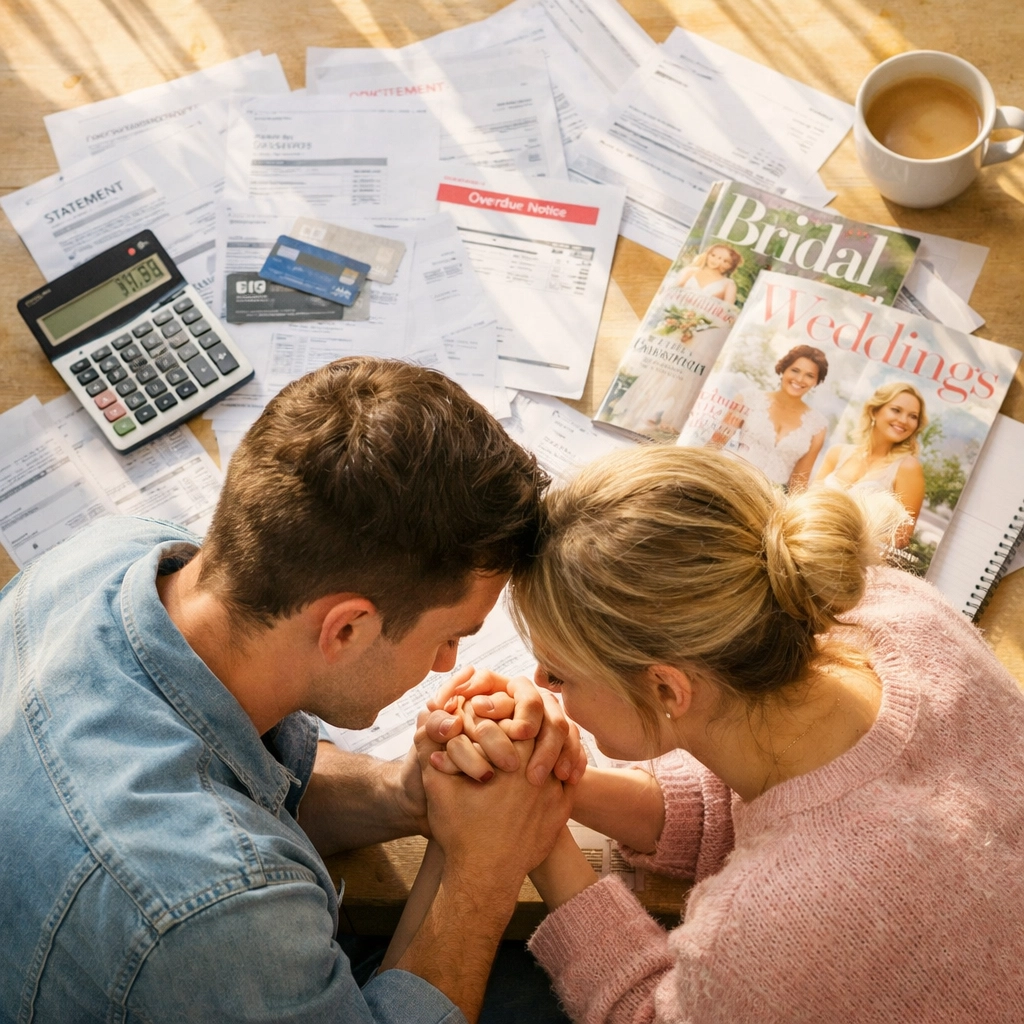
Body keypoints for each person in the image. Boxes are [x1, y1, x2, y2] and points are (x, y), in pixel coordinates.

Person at [0, 357, 586, 1024]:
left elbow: (243, 779)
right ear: (347, 628)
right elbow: (220, 885)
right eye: (449, 636)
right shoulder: (216, 907)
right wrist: (484, 877)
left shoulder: (122, 553)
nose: (448, 665)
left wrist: (401, 792)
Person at [425, 445, 1024, 1023]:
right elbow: (770, 798)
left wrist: (534, 833)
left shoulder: (766, 923)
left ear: (666, 691)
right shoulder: (895, 614)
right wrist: (560, 787)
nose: (541, 683)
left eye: (558, 672)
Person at [814, 380, 927, 546]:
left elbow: (902, 537)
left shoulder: (908, 467)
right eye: (896, 410)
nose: (904, 420)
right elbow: (807, 500)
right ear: (874, 411)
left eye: (913, 416)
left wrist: (847, 545)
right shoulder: (837, 453)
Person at [729, 344, 829, 490]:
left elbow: (798, 483)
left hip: (771, 499)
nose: (800, 379)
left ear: (816, 381)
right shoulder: (748, 399)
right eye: (795, 370)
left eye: (810, 375)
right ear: (783, 369)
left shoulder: (817, 425)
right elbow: (714, 446)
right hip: (731, 481)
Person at [673, 243, 742, 305]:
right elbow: (674, 290)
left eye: (724, 260)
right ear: (707, 254)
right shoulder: (691, 271)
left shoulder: (729, 284)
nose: (715, 260)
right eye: (713, 255)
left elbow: (728, 309)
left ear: (730, 266)